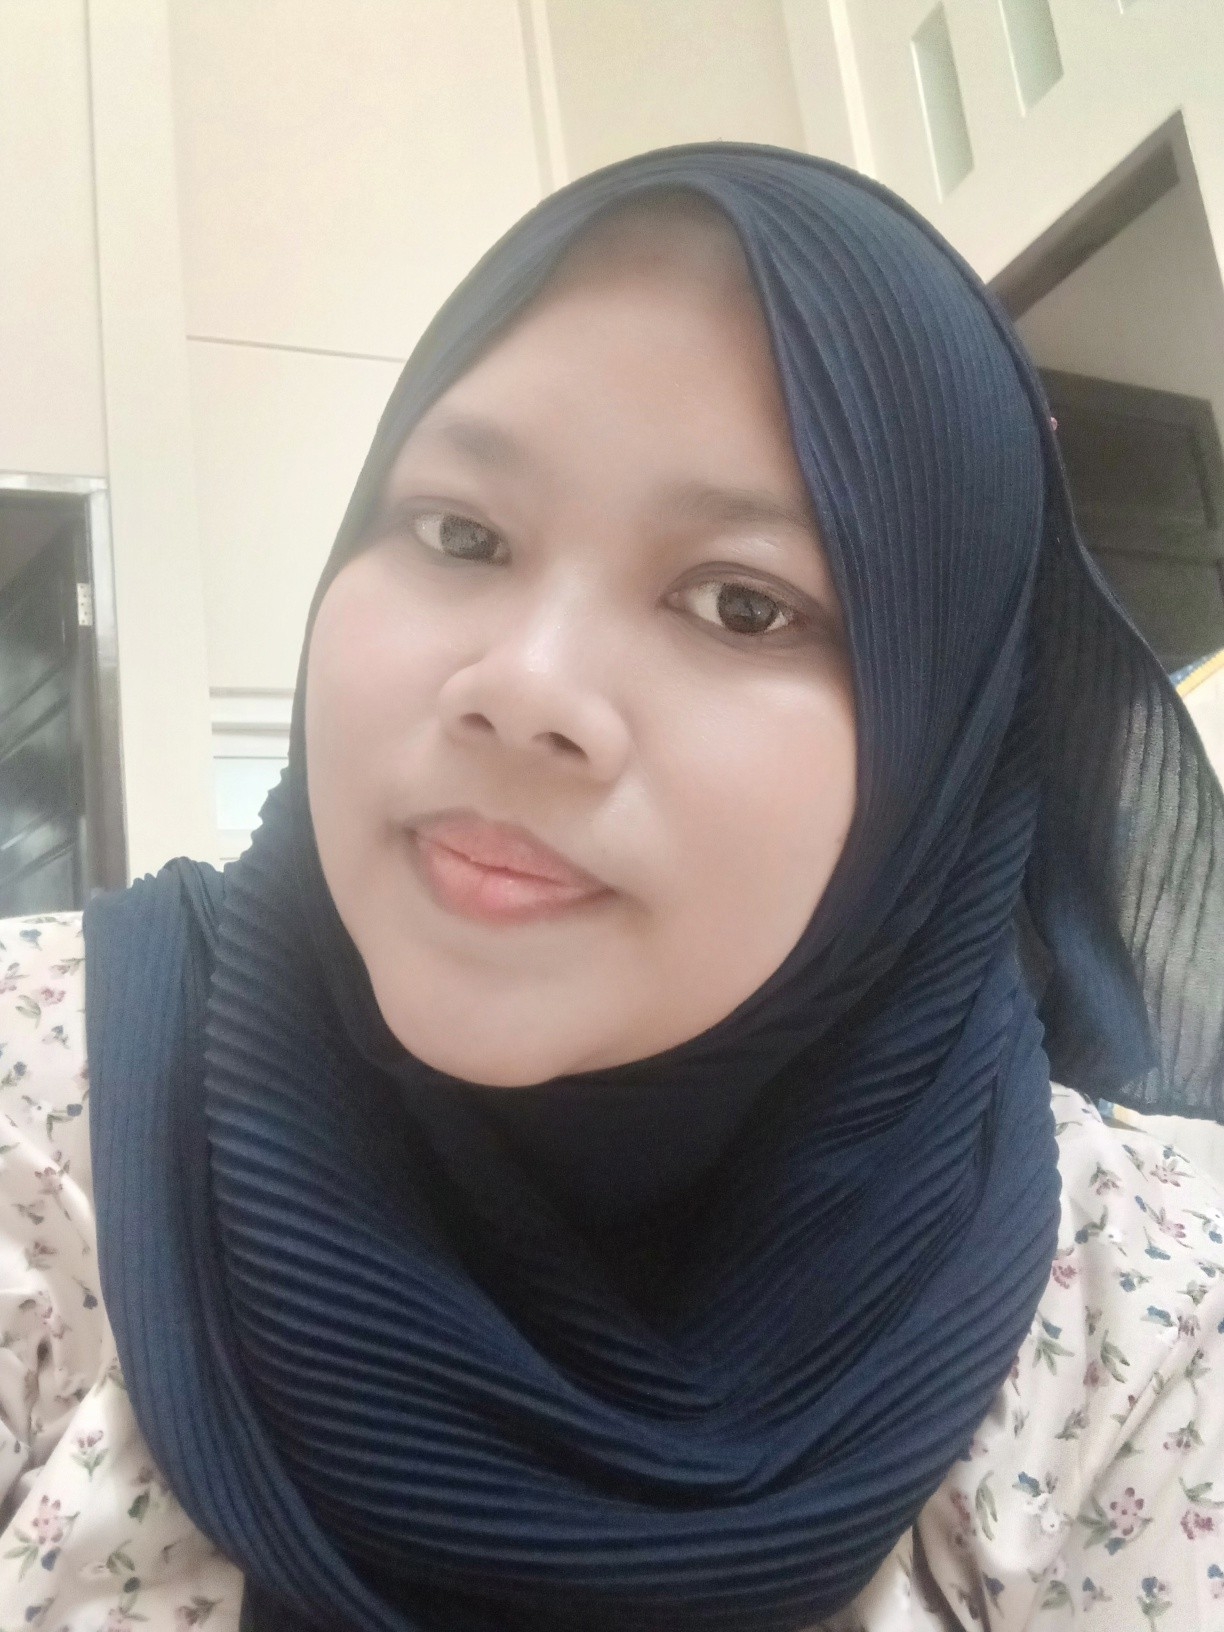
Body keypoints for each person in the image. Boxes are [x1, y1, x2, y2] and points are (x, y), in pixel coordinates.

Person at [1, 142, 1223, 1632]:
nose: (524, 688)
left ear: (946, 744)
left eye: (743, 603)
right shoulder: (47, 1108)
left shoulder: (1145, 1329)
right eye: (461, 532)